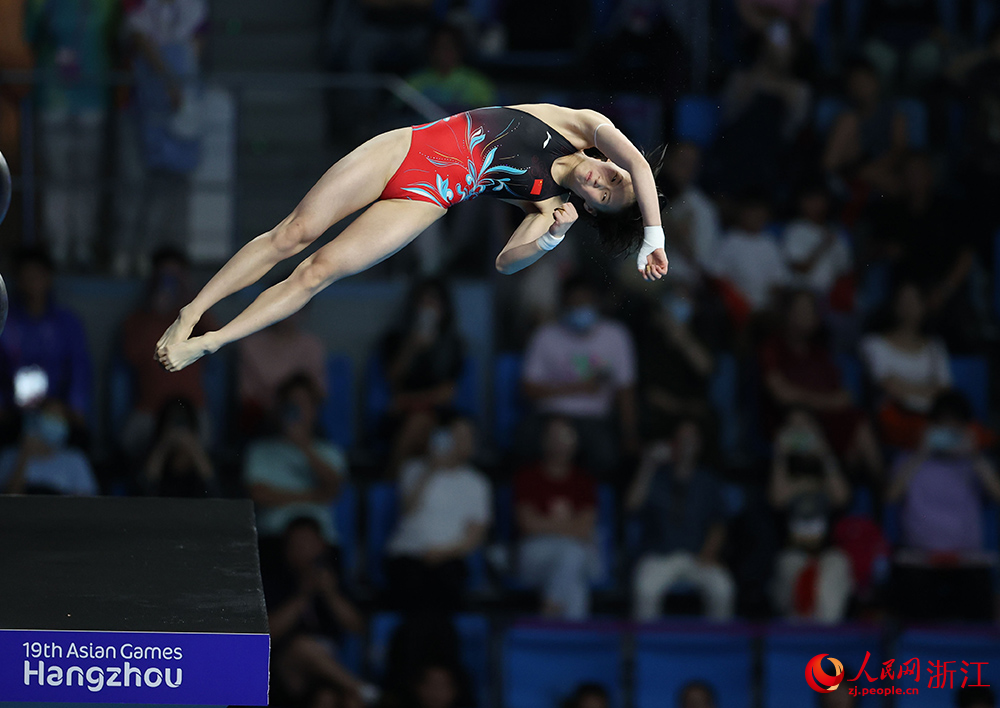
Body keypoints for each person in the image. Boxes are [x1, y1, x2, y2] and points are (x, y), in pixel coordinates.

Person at [154, 104, 669, 371]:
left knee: (318, 272)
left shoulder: (553, 206)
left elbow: (506, 263)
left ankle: (213, 341)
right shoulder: (583, 125)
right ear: (611, 164)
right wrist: (654, 236)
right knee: (294, 234)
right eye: (613, 179)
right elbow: (641, 165)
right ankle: (192, 312)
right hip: (403, 151)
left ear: (592, 209)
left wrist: (549, 241)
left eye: (604, 199)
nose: (602, 186)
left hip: (424, 201)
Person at [26, 0, 117, 268]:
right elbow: (30, 34)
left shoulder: (106, 4)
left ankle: (83, 244)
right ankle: (58, 245)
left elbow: (114, 37)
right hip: (53, 97)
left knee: (87, 178)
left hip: (92, 97)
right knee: (57, 177)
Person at [521, 275, 638, 476]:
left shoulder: (616, 335)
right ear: (564, 306)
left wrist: (630, 435)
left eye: (585, 303)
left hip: (595, 419)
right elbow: (528, 389)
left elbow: (625, 391)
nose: (581, 309)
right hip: (550, 416)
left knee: (609, 458)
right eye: (574, 304)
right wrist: (579, 388)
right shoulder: (545, 335)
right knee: (523, 447)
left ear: (596, 303)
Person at [760, 290, 882, 481]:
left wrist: (816, 401)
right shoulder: (773, 348)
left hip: (826, 421)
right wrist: (822, 402)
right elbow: (782, 394)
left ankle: (879, 491)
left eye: (810, 310)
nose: (806, 315)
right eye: (801, 309)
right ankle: (810, 497)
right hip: (786, 425)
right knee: (800, 421)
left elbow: (844, 397)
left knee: (859, 423)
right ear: (787, 313)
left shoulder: (820, 353)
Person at [627, 422, 735, 621]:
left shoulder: (708, 481)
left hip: (698, 557)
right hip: (659, 556)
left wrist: (709, 552)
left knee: (723, 588)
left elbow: (719, 523)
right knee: (645, 590)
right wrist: (647, 465)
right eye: (681, 440)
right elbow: (632, 506)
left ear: (699, 445)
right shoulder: (656, 476)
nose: (686, 445)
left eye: (691, 440)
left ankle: (717, 648)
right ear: (672, 444)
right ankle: (647, 649)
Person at [264, 517, 375, 708]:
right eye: (296, 544)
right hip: (287, 667)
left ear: (321, 546)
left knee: (338, 699)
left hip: (328, 667)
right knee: (302, 645)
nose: (302, 549)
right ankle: (363, 689)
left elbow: (358, 627)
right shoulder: (273, 581)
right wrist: (303, 595)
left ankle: (357, 691)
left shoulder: (333, 577)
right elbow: (268, 633)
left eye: (308, 542)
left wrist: (330, 594)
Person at [385, 417, 492, 614]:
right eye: (457, 436)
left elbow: (474, 536)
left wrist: (442, 554)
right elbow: (408, 509)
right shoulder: (413, 469)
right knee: (413, 589)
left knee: (444, 591)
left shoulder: (477, 483)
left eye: (468, 437)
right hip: (408, 554)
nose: (463, 442)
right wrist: (430, 470)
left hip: (449, 557)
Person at [120, 247, 211, 460]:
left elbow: (216, 338)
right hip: (150, 411)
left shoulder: (195, 317)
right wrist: (154, 311)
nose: (169, 283)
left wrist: (193, 300)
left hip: (191, 411)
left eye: (175, 277)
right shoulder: (137, 320)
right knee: (129, 445)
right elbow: (131, 356)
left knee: (201, 447)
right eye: (164, 276)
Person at [243, 373, 349, 547]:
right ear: (281, 408)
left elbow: (334, 488)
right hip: (274, 536)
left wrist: (303, 446)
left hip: (320, 539)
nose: (298, 410)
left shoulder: (330, 451)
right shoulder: (260, 451)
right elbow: (258, 494)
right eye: (292, 404)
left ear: (315, 410)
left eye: (304, 404)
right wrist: (315, 496)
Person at [769, 410, 853, 623]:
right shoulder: (782, 468)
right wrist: (780, 454)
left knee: (837, 565)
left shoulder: (827, 467)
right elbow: (778, 499)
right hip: (792, 553)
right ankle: (799, 643)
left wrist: (824, 453)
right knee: (792, 571)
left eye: (805, 429)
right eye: (794, 430)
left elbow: (841, 497)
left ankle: (825, 639)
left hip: (825, 553)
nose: (800, 435)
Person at [0, 247, 92, 437]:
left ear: (48, 278)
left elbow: (80, 369)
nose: (32, 284)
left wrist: (74, 409)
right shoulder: (6, 322)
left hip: (58, 409)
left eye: (37, 277)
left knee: (78, 438)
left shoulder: (67, 323)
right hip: (13, 411)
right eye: (25, 277)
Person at [515, 416, 600, 620]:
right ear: (543, 441)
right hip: (536, 551)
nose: (558, 443)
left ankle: (551, 610)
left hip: (574, 550)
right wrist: (568, 525)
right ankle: (572, 645)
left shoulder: (583, 482)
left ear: (575, 442)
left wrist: (545, 523)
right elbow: (528, 525)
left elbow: (585, 529)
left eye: (564, 437)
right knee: (574, 562)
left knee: (573, 567)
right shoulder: (527, 477)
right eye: (553, 436)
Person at [379, 278, 464, 473]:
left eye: (434, 301)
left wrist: (409, 401)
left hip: (435, 411)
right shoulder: (395, 339)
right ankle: (395, 484)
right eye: (423, 301)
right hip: (401, 417)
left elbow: (447, 394)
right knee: (418, 423)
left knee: (463, 431)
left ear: (444, 307)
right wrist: (412, 347)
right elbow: (391, 379)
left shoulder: (453, 345)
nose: (428, 307)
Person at [860, 282, 953, 450]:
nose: (908, 306)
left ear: (924, 305)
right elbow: (890, 387)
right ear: (893, 304)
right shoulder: (873, 344)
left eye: (914, 300)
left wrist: (905, 387)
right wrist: (927, 390)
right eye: (903, 300)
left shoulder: (935, 347)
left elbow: (944, 391)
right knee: (931, 434)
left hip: (932, 416)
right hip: (895, 417)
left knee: (971, 432)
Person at [823, 58, 909, 198]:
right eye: (855, 83)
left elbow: (899, 150)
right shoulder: (848, 118)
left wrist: (871, 170)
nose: (861, 87)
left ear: (875, 81)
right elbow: (829, 163)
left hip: (883, 168)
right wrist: (859, 171)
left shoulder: (894, 113)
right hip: (851, 170)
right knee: (848, 121)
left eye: (864, 81)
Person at [238, 310, 327, 437]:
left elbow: (318, 393)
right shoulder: (250, 345)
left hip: (303, 420)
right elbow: (246, 396)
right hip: (264, 422)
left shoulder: (312, 345)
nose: (287, 310)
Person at [710, 191, 790, 325]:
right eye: (752, 211)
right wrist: (739, 303)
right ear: (741, 212)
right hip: (736, 309)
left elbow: (779, 281)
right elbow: (717, 277)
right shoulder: (730, 241)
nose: (756, 216)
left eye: (760, 212)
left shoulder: (770, 244)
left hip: (767, 311)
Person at [0, 397, 98, 495]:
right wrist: (24, 456)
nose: (55, 421)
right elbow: (7, 501)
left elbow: (87, 503)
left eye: (60, 417)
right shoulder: (9, 456)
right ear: (36, 419)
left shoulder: (75, 459)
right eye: (51, 416)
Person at [659, 142, 721, 287]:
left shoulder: (703, 209)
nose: (686, 169)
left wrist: (677, 234)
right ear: (667, 161)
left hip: (681, 283)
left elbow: (704, 262)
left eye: (692, 165)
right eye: (681, 162)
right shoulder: (643, 193)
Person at [782, 182, 853, 304]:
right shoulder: (795, 229)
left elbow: (845, 269)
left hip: (830, 297)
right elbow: (800, 267)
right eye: (810, 200)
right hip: (804, 295)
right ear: (801, 203)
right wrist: (823, 245)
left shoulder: (835, 231)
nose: (815, 205)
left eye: (818, 200)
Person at [141, 397, 218, 497]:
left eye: (183, 423)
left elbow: (217, 497)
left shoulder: (206, 461)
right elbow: (142, 497)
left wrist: (194, 449)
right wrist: (163, 446)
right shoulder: (150, 456)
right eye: (172, 423)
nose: (179, 432)